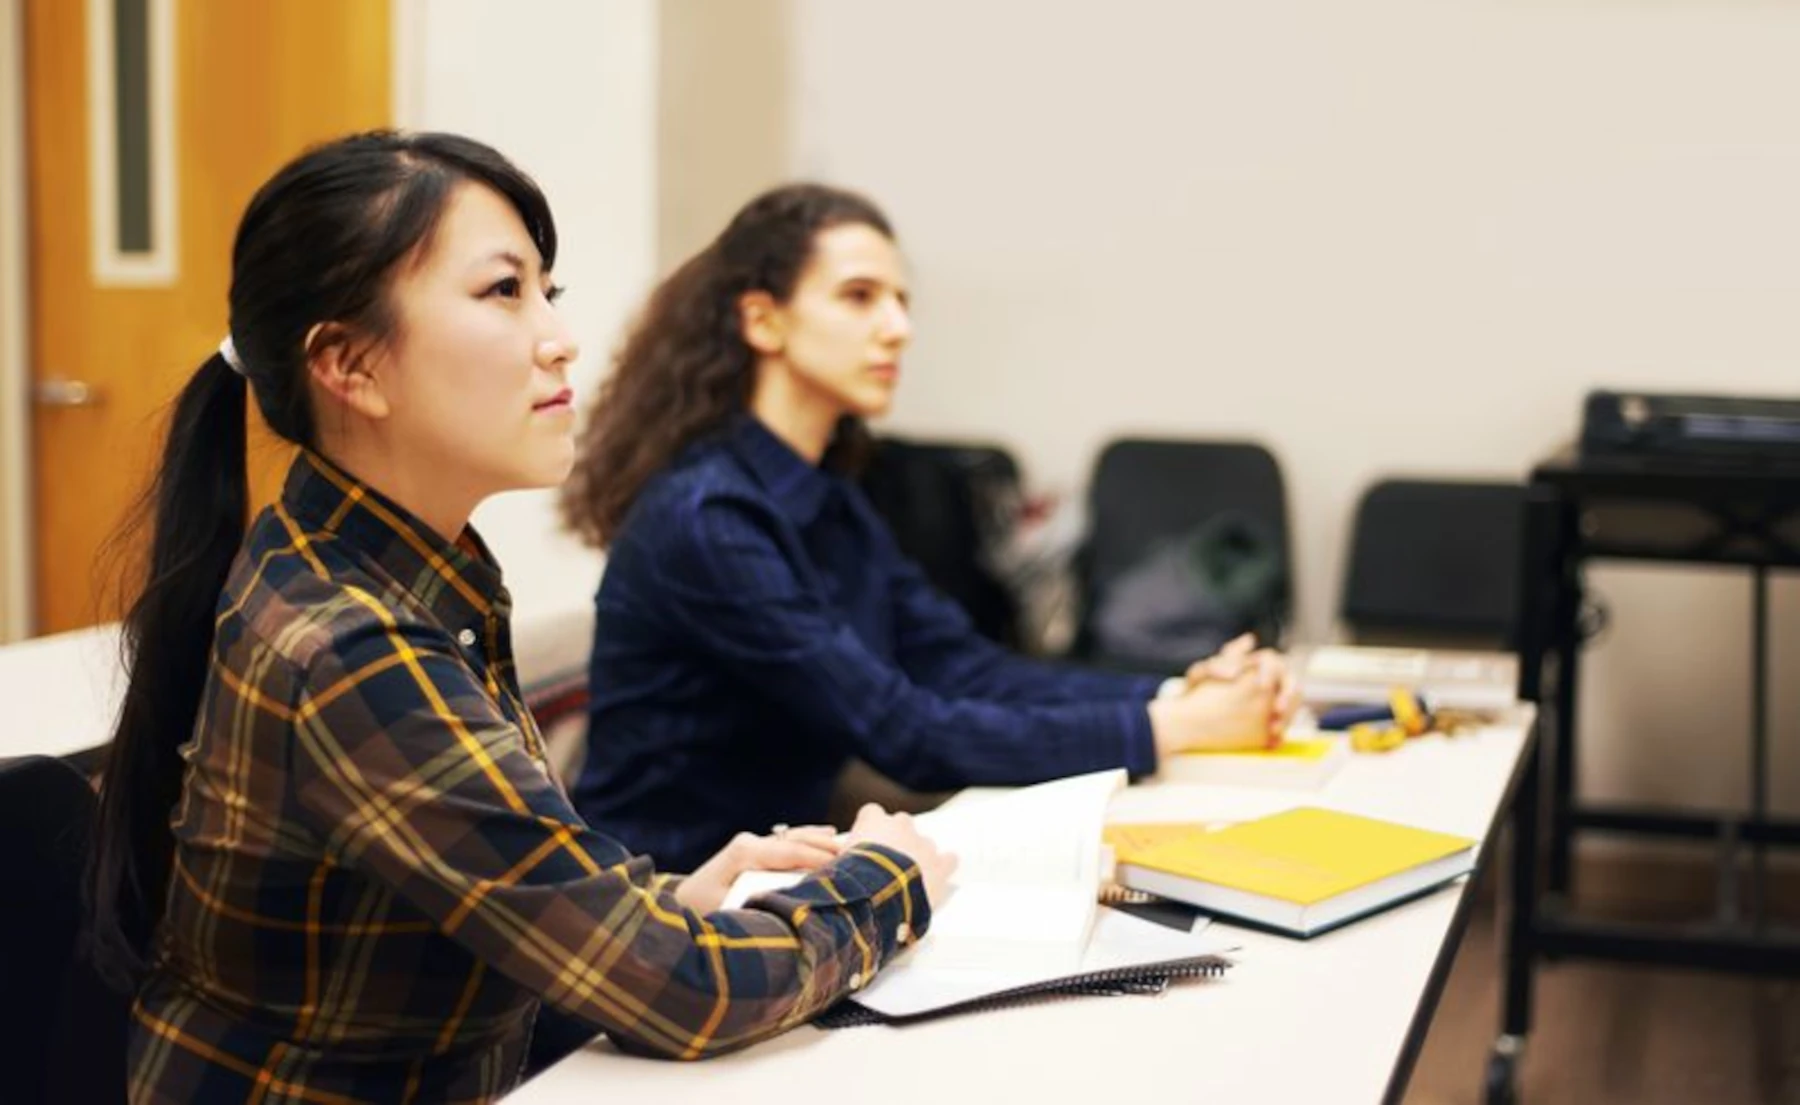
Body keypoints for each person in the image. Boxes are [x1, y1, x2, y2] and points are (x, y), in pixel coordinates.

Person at [84, 134, 952, 1105]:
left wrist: (665, 905)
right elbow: (686, 995)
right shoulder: (348, 643)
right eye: (504, 292)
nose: (558, 336)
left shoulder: (408, 580)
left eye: (550, 291)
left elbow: (497, 896)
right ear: (349, 366)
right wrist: (883, 882)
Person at [560, 182, 1298, 874]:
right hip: (666, 911)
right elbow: (903, 733)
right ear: (763, 319)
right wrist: (1178, 727)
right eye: (860, 297)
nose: (899, 328)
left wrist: (1174, 694)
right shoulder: (707, 516)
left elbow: (966, 667)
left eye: (902, 301)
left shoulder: (830, 498)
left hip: (784, 885)